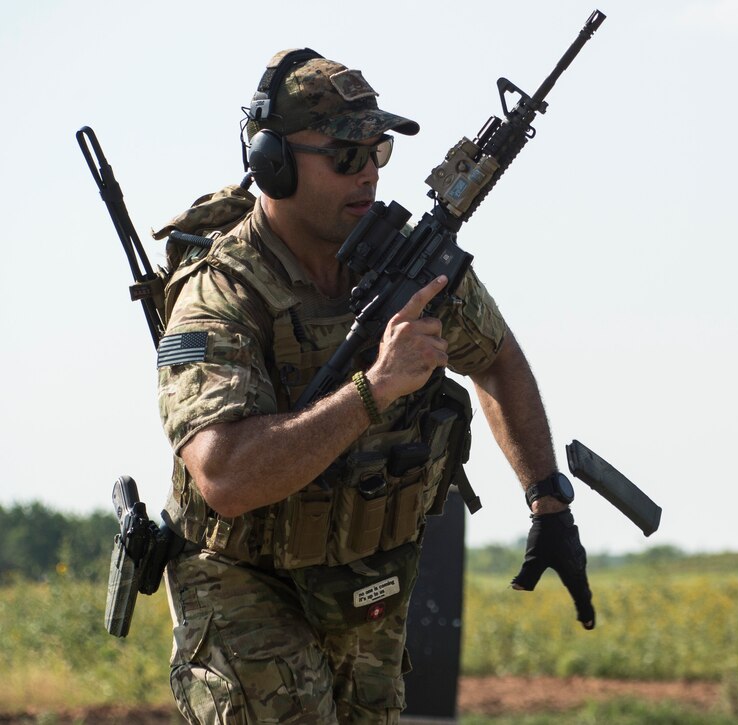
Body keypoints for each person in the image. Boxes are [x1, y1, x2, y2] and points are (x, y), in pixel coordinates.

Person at [156, 48, 594, 723]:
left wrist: (547, 500)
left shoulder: (405, 263)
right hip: (245, 580)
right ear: (272, 161)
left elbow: (497, 357)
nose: (367, 174)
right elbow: (225, 474)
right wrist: (374, 389)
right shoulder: (222, 292)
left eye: (377, 151)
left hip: (364, 583)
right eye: (344, 156)